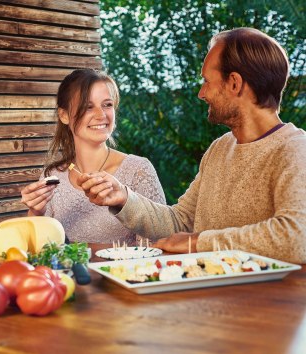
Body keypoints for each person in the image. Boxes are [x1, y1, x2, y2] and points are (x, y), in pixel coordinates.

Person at [76, 28, 306, 263]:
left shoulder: (295, 150)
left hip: (265, 300)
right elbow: (180, 222)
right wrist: (123, 198)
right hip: (212, 297)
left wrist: (198, 242)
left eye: (207, 81)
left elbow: (297, 238)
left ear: (234, 83)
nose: (201, 93)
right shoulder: (220, 149)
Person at [20, 68, 165, 244]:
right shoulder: (52, 177)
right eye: (88, 107)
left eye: (107, 104)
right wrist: (36, 213)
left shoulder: (139, 170)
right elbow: (42, 250)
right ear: (64, 115)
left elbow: (156, 248)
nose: (101, 115)